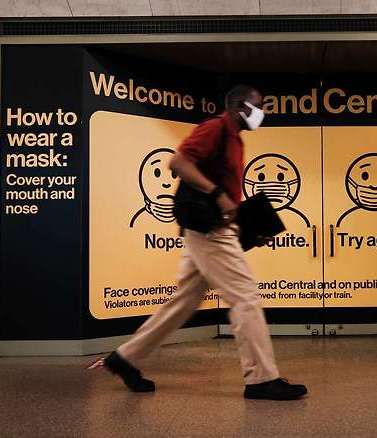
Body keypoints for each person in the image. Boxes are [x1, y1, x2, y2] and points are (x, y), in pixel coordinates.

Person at [94, 85, 307, 401]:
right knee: (246, 297)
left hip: (209, 230)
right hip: (209, 232)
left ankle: (125, 359)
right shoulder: (215, 128)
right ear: (239, 107)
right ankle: (261, 379)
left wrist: (247, 225)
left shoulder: (235, 139)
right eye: (258, 106)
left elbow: (227, 193)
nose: (262, 112)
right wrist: (217, 194)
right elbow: (178, 163)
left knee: (184, 302)